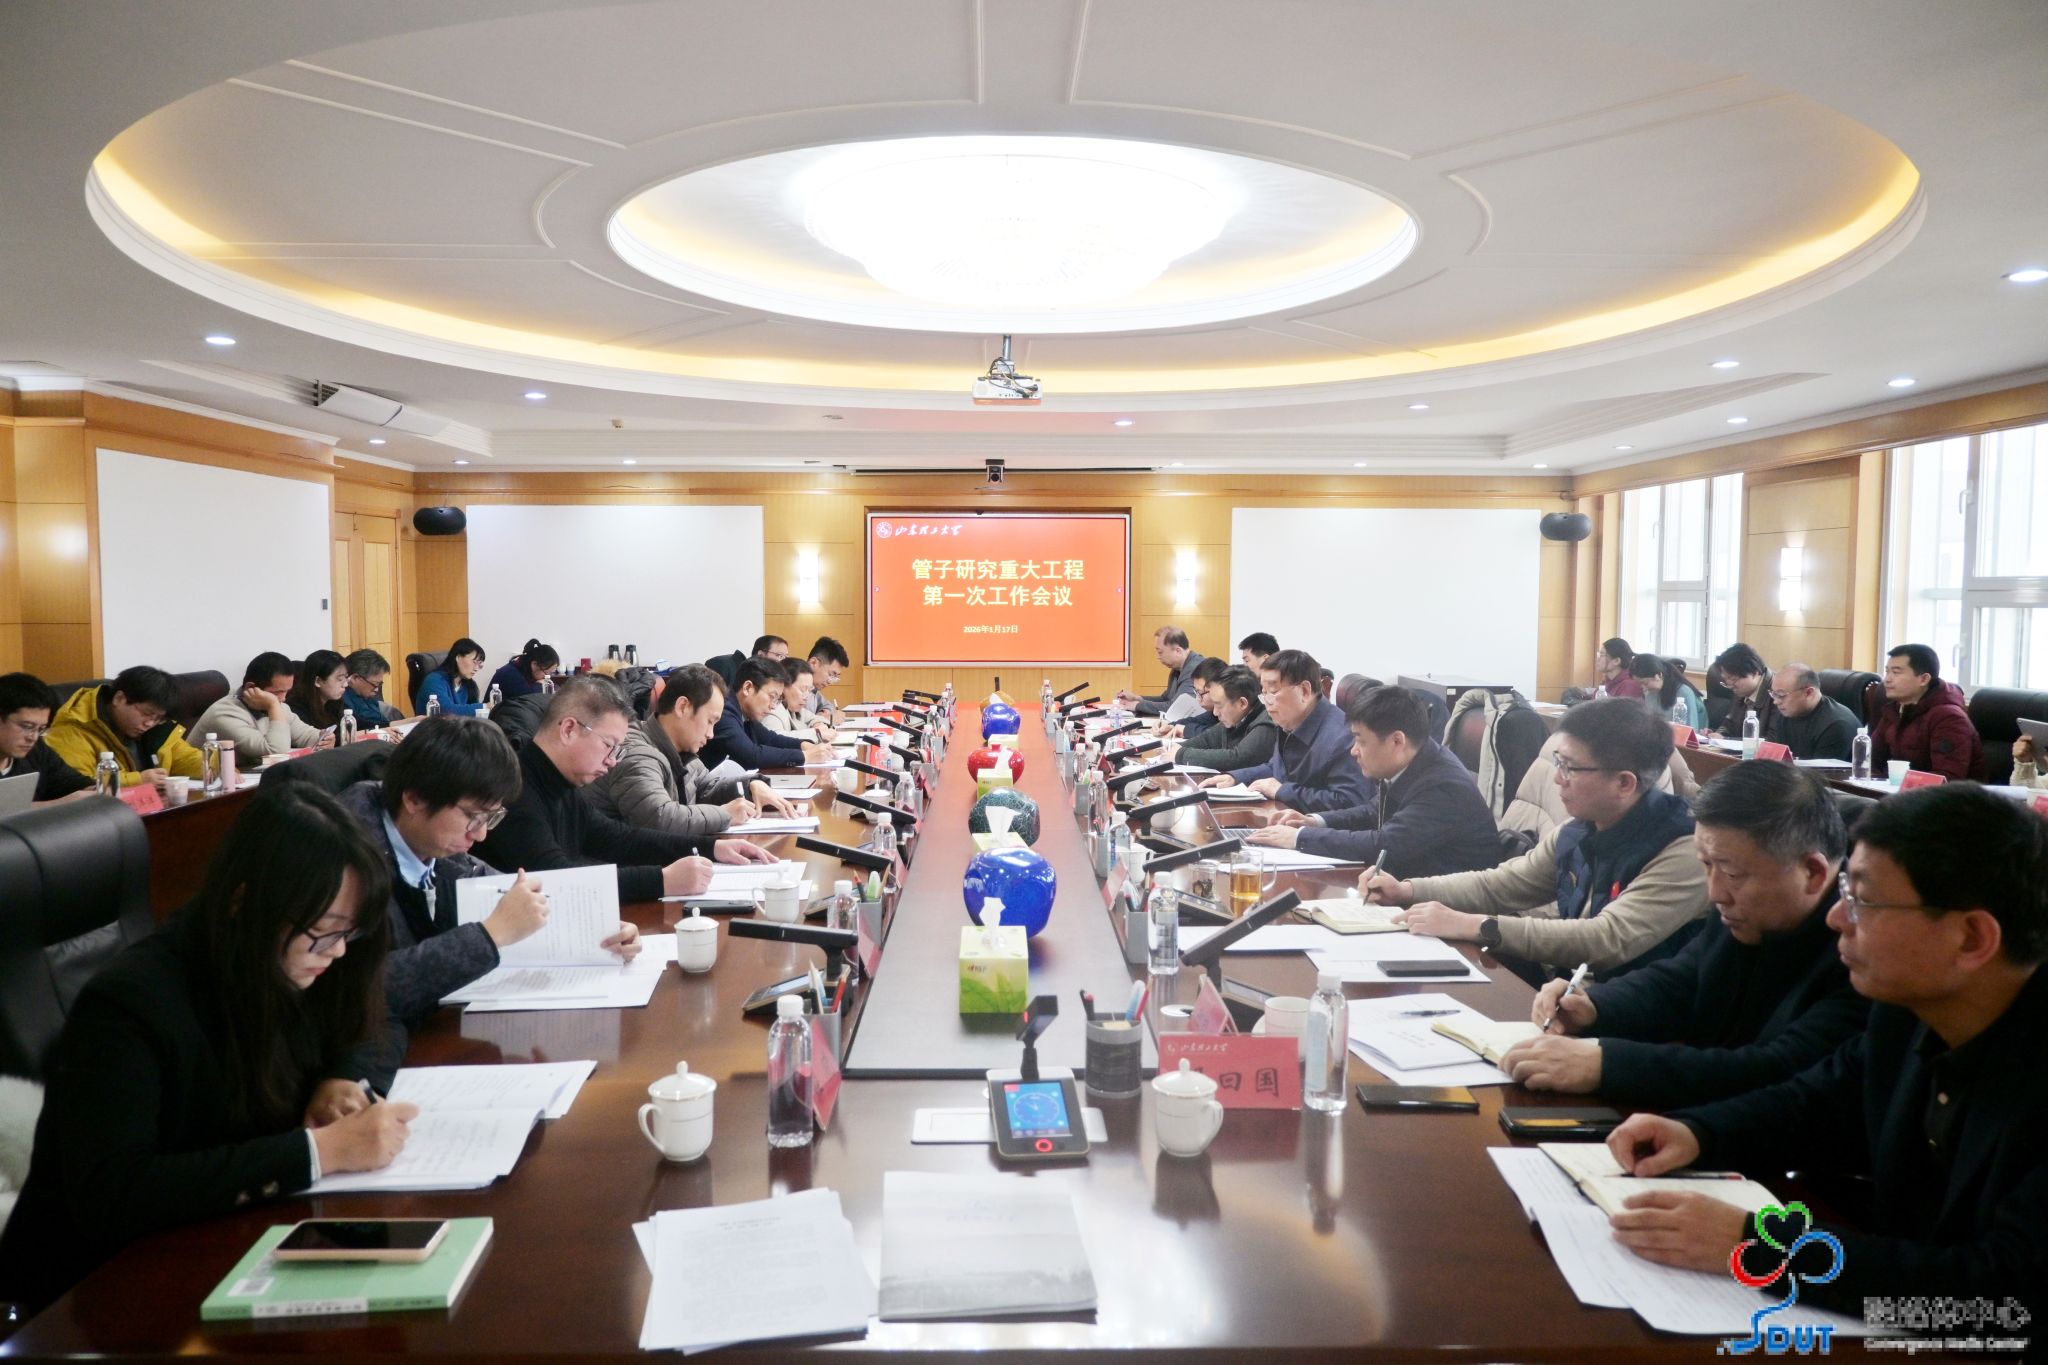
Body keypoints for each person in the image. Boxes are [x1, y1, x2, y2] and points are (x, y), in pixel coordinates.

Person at [1602, 785, 2048, 1325]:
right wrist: (1699, 1132)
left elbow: (2008, 1295)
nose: (1837, 918)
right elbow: (1817, 1103)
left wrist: (1764, 1247)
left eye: (1864, 901)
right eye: (1844, 892)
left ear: (1972, 937)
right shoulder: (1908, 1012)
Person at [0, 782, 417, 1313]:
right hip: (99, 1292)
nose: (337, 953)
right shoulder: (131, 1005)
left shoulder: (306, 957)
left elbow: (379, 1021)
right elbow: (113, 1193)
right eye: (324, 932)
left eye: (348, 934)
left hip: (236, 1236)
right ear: (245, 903)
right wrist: (320, 1152)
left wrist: (341, 1080)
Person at [1498, 762, 1865, 1106]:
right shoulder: (1748, 910)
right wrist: (1595, 1006)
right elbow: (1682, 981)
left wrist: (1606, 1064)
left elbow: (1781, 1069)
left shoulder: (1865, 949)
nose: (1715, 893)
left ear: (1813, 872)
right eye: (1705, 865)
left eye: (1732, 873)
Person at [326, 716, 637, 1097]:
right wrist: (489, 936)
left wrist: (600, 928)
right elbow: (361, 991)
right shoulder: (346, 860)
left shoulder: (428, 840)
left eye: (491, 816)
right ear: (414, 799)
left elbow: (509, 893)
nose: (481, 833)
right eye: (473, 816)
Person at [1365, 698, 1709, 978]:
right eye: (1558, 762)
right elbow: (1500, 886)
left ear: (1624, 783)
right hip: (1572, 996)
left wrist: (1475, 925)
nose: (1557, 778)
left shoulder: (1685, 850)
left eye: (1570, 767)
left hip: (1640, 1022)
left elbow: (1606, 939)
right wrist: (1407, 890)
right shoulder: (1580, 829)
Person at [475, 678, 773, 903]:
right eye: (608, 745)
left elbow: (618, 838)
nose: (612, 760)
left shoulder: (561, 782)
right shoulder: (515, 790)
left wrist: (712, 848)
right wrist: (662, 880)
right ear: (568, 729)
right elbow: (558, 879)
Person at [1251, 685, 1502, 878]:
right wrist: (1314, 821)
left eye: (1361, 741)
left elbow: (1385, 845)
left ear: (1396, 741)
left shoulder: (1443, 786)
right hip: (1408, 887)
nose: (1353, 751)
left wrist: (1300, 838)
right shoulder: (1416, 760)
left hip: (1447, 911)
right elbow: (1373, 812)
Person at [588, 664, 800, 837]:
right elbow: (660, 818)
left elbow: (707, 788)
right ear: (683, 707)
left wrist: (750, 786)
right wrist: (724, 814)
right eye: (710, 721)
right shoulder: (637, 752)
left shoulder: (680, 749)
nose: (711, 734)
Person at [1199, 649, 1371, 813]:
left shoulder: (1342, 737)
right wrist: (1236, 778)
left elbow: (1351, 802)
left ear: (1304, 691)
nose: (1267, 702)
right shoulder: (1289, 721)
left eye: (1273, 692)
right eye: (1264, 693)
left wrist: (1283, 791)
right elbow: (1277, 768)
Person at [45, 664, 205, 789]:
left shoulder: (155, 728)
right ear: (119, 698)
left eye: (158, 718)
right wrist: (139, 780)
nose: (149, 723)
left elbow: (184, 758)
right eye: (146, 713)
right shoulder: (73, 729)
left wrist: (214, 763)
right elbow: (78, 785)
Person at [699, 658, 834, 772]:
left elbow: (770, 738)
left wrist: (804, 745)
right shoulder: (725, 710)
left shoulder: (744, 712)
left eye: (777, 699)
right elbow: (751, 756)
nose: (773, 706)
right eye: (772, 697)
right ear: (747, 688)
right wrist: (805, 756)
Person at [191, 652, 327, 764]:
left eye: (287, 691)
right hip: (208, 784)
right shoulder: (224, 713)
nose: (283, 698)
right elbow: (276, 752)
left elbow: (307, 735)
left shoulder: (278, 707)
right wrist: (273, 705)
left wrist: (324, 739)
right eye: (278, 692)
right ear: (250, 688)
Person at [1870, 642, 1980, 780]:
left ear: (1923, 679)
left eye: (1896, 672)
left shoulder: (1949, 718)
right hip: (1895, 789)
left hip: (1944, 793)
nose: (1887, 679)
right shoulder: (1894, 710)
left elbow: (1946, 778)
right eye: (1887, 672)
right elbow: (1871, 760)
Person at [0, 672, 93, 802]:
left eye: (41, 729)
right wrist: (60, 804)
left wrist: (97, 790)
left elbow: (71, 782)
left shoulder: (37, 750)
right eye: (27, 726)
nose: (33, 737)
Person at [1174, 665, 1279, 773]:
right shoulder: (1234, 719)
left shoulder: (1266, 723)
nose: (1215, 712)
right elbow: (1205, 740)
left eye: (1219, 705)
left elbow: (1238, 759)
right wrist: (1172, 749)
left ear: (1242, 703)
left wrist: (1181, 754)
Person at [1767, 663, 1858, 761]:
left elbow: (1822, 770)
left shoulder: (1837, 726)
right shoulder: (1787, 713)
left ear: (1809, 693)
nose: (1776, 702)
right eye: (1774, 694)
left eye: (1781, 695)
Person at [1116, 626, 1207, 718]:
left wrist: (1137, 705)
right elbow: (1165, 699)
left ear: (1178, 651)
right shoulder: (1177, 669)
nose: (1158, 657)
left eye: (1160, 652)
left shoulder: (1195, 669)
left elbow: (1176, 708)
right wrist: (1137, 698)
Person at [1710, 643, 1777, 741]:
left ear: (1754, 672)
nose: (1730, 685)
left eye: (1733, 679)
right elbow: (1729, 724)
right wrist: (1718, 734)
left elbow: (1773, 739)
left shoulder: (1776, 694)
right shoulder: (1741, 691)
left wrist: (1728, 739)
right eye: (1726, 679)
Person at [1628, 654, 1705, 728]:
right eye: (1639, 684)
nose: (1644, 688)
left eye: (1645, 683)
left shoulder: (1684, 693)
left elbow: (1690, 730)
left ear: (1659, 675)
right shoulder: (1650, 693)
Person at [763, 659, 832, 740]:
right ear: (783, 686)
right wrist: (817, 733)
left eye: (809, 690)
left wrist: (818, 724)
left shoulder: (794, 707)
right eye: (803, 690)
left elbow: (813, 718)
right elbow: (777, 738)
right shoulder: (772, 709)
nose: (807, 697)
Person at [416, 638, 487, 717]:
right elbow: (445, 711)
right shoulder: (434, 680)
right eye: (474, 662)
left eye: (480, 665)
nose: (476, 668)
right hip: (433, 724)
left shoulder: (469, 685)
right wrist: (484, 707)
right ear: (458, 658)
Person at [1167, 655, 1229, 740]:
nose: (1197, 699)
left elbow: (1219, 735)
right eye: (1196, 692)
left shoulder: (1231, 709)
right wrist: (1170, 726)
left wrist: (1185, 730)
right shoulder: (1213, 711)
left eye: (1200, 693)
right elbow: (1196, 720)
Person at [288, 649, 349, 731]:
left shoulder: (335, 702)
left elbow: (356, 722)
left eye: (346, 677)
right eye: (340, 679)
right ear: (317, 681)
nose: (345, 684)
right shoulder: (296, 711)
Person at [704, 634, 789, 690]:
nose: (783, 661)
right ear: (761, 654)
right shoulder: (726, 666)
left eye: (786, 657)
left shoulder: (765, 680)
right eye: (780, 656)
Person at [340, 649, 399, 728]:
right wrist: (393, 725)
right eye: (374, 684)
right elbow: (361, 725)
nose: (377, 689)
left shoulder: (366, 696)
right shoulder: (342, 700)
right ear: (354, 678)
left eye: (379, 684)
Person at [489, 639, 560, 699]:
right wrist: (539, 685)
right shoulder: (510, 674)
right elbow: (527, 697)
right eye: (547, 673)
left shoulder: (526, 669)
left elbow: (556, 688)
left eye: (551, 673)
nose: (548, 677)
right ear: (534, 664)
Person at [803, 637, 849, 721]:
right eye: (831, 674)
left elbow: (828, 705)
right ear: (813, 663)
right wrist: (825, 719)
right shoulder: (794, 686)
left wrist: (824, 712)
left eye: (835, 677)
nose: (830, 681)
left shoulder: (813, 689)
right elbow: (800, 723)